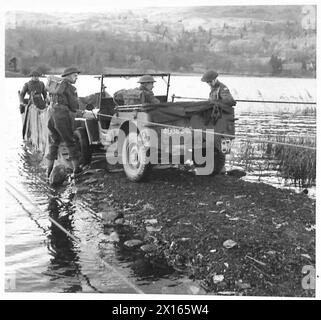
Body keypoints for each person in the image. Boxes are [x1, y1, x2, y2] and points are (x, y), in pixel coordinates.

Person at [46, 67, 82, 179]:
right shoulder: (70, 87)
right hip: (61, 115)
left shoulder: (56, 85)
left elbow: (48, 100)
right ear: (69, 75)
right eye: (75, 76)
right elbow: (74, 106)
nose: (77, 78)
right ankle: (77, 169)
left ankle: (49, 170)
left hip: (51, 114)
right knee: (70, 141)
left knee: (54, 141)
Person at [201, 70, 236, 174]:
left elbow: (229, 100)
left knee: (225, 142)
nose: (208, 84)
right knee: (215, 142)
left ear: (215, 79)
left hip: (224, 119)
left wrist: (215, 102)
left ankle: (222, 167)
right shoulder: (213, 89)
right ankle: (217, 166)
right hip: (216, 119)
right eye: (207, 82)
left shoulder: (222, 88)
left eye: (209, 82)